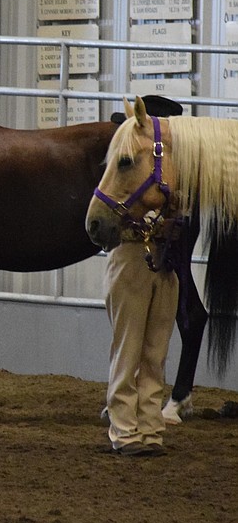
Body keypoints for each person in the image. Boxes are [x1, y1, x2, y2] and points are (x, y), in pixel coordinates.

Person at [102, 95, 185, 457]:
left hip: (165, 261)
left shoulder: (176, 173)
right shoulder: (129, 164)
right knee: (129, 349)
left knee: (155, 350)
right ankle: (123, 429)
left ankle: (150, 428)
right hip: (133, 255)